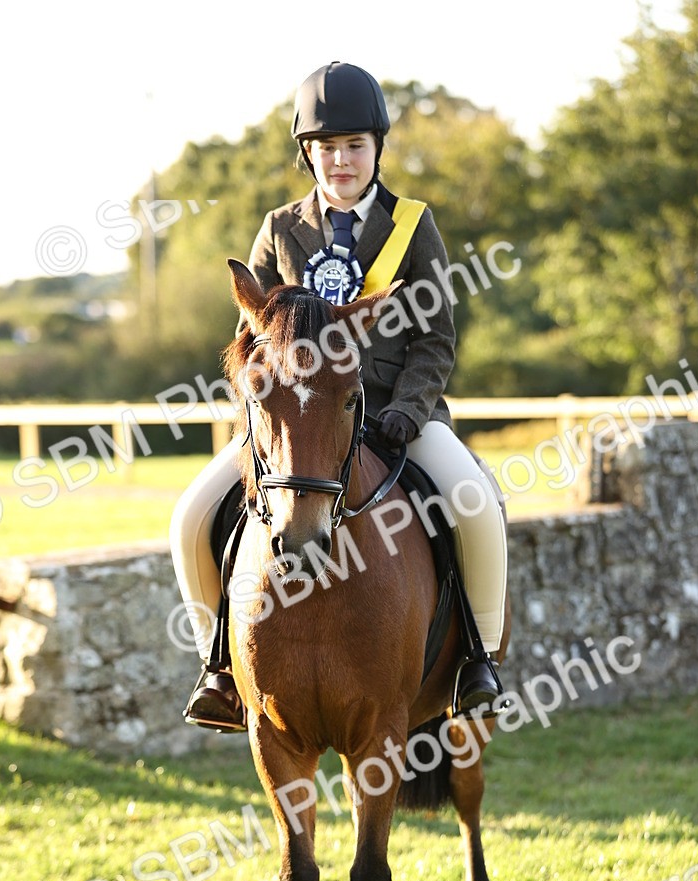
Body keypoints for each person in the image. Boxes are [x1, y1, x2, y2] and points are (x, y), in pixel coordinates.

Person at [170, 61, 508, 732]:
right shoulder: (279, 229)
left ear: (377, 149)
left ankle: (479, 656)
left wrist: (405, 417)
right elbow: (249, 345)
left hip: (394, 419)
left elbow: (435, 341)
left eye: (354, 146)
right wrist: (265, 421)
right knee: (188, 517)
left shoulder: (412, 226)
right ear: (308, 154)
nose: (341, 160)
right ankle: (220, 666)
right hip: (294, 427)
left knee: (473, 503)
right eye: (327, 148)